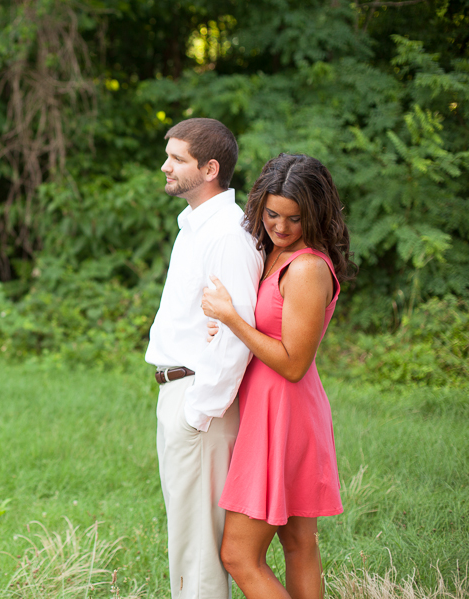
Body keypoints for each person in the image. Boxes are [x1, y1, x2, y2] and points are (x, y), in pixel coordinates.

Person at [200, 153, 356, 599]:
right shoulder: (273, 253)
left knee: (238, 556)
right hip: (271, 409)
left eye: (294, 218)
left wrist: (232, 320)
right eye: (272, 214)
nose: (281, 227)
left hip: (284, 413)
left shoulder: (306, 267)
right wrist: (228, 324)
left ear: (316, 214)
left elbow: (293, 363)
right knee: (297, 542)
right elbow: (265, 325)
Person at [145, 118, 263, 599]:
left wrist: (197, 412)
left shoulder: (226, 235)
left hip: (199, 404)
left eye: (177, 159)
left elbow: (237, 334)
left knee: (198, 557)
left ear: (210, 168)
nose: (165, 166)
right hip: (179, 395)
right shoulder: (193, 227)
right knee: (186, 545)